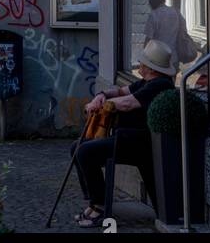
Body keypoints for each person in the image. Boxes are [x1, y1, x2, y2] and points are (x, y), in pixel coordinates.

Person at [72, 39, 175, 228]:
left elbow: (128, 102)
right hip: (127, 138)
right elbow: (120, 91)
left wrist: (100, 105)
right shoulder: (146, 82)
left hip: (139, 143)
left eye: (143, 63)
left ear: (151, 68)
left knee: (84, 151)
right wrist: (102, 94)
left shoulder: (160, 85)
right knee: (77, 146)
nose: (140, 66)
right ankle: (95, 201)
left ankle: (101, 207)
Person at [144, 0, 199, 70]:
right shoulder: (175, 12)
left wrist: (144, 57)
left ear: (152, 2)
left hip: (158, 58)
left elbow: (148, 39)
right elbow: (183, 31)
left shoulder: (153, 15)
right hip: (174, 57)